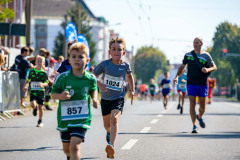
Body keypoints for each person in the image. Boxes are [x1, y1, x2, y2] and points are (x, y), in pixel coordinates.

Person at [51, 42, 99, 160]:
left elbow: (94, 89)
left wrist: (95, 99)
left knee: (74, 146)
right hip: (65, 119)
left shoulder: (90, 78)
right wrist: (61, 96)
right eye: (74, 57)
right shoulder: (63, 78)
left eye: (80, 57)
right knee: (67, 150)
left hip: (82, 118)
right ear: (69, 60)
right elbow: (53, 94)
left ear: (87, 60)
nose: (77, 59)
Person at [93, 37, 135, 159]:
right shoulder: (104, 64)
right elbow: (92, 75)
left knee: (114, 118)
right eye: (114, 49)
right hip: (105, 99)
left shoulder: (125, 66)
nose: (116, 52)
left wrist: (132, 91)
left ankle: (111, 146)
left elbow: (130, 77)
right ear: (109, 51)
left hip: (118, 98)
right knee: (107, 125)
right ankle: (108, 132)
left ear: (123, 52)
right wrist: (99, 84)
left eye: (119, 50)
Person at [173, 37, 217, 133]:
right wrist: (176, 77)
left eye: (197, 42)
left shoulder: (206, 55)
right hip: (191, 82)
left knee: (202, 106)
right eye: (194, 42)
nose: (195, 44)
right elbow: (182, 66)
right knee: (192, 103)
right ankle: (194, 126)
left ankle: (200, 116)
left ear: (202, 44)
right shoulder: (188, 55)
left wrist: (208, 69)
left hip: (202, 83)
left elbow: (214, 66)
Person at [23, 55, 49, 127]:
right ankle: (34, 108)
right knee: (33, 104)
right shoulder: (32, 71)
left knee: (41, 107)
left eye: (41, 61)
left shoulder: (44, 73)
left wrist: (42, 84)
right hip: (33, 91)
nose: (39, 62)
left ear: (43, 63)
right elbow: (28, 80)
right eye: (38, 61)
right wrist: (25, 86)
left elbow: (47, 83)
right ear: (35, 62)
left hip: (41, 92)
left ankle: (40, 121)